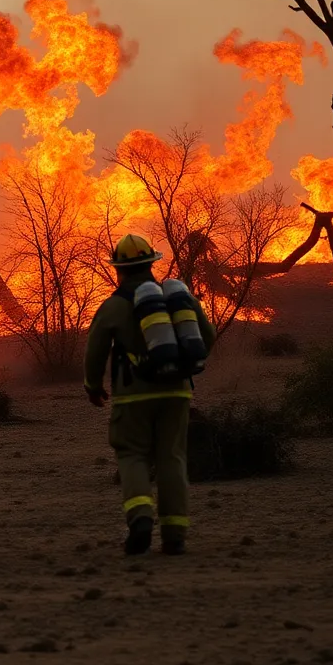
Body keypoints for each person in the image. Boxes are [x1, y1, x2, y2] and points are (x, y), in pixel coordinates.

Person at [83, 234, 216, 556]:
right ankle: (174, 535)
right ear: (152, 264)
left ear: (120, 270)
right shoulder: (178, 300)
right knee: (172, 458)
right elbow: (207, 337)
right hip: (177, 394)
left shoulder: (114, 306)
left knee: (132, 455)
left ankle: (141, 519)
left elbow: (95, 349)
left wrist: (93, 385)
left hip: (133, 397)